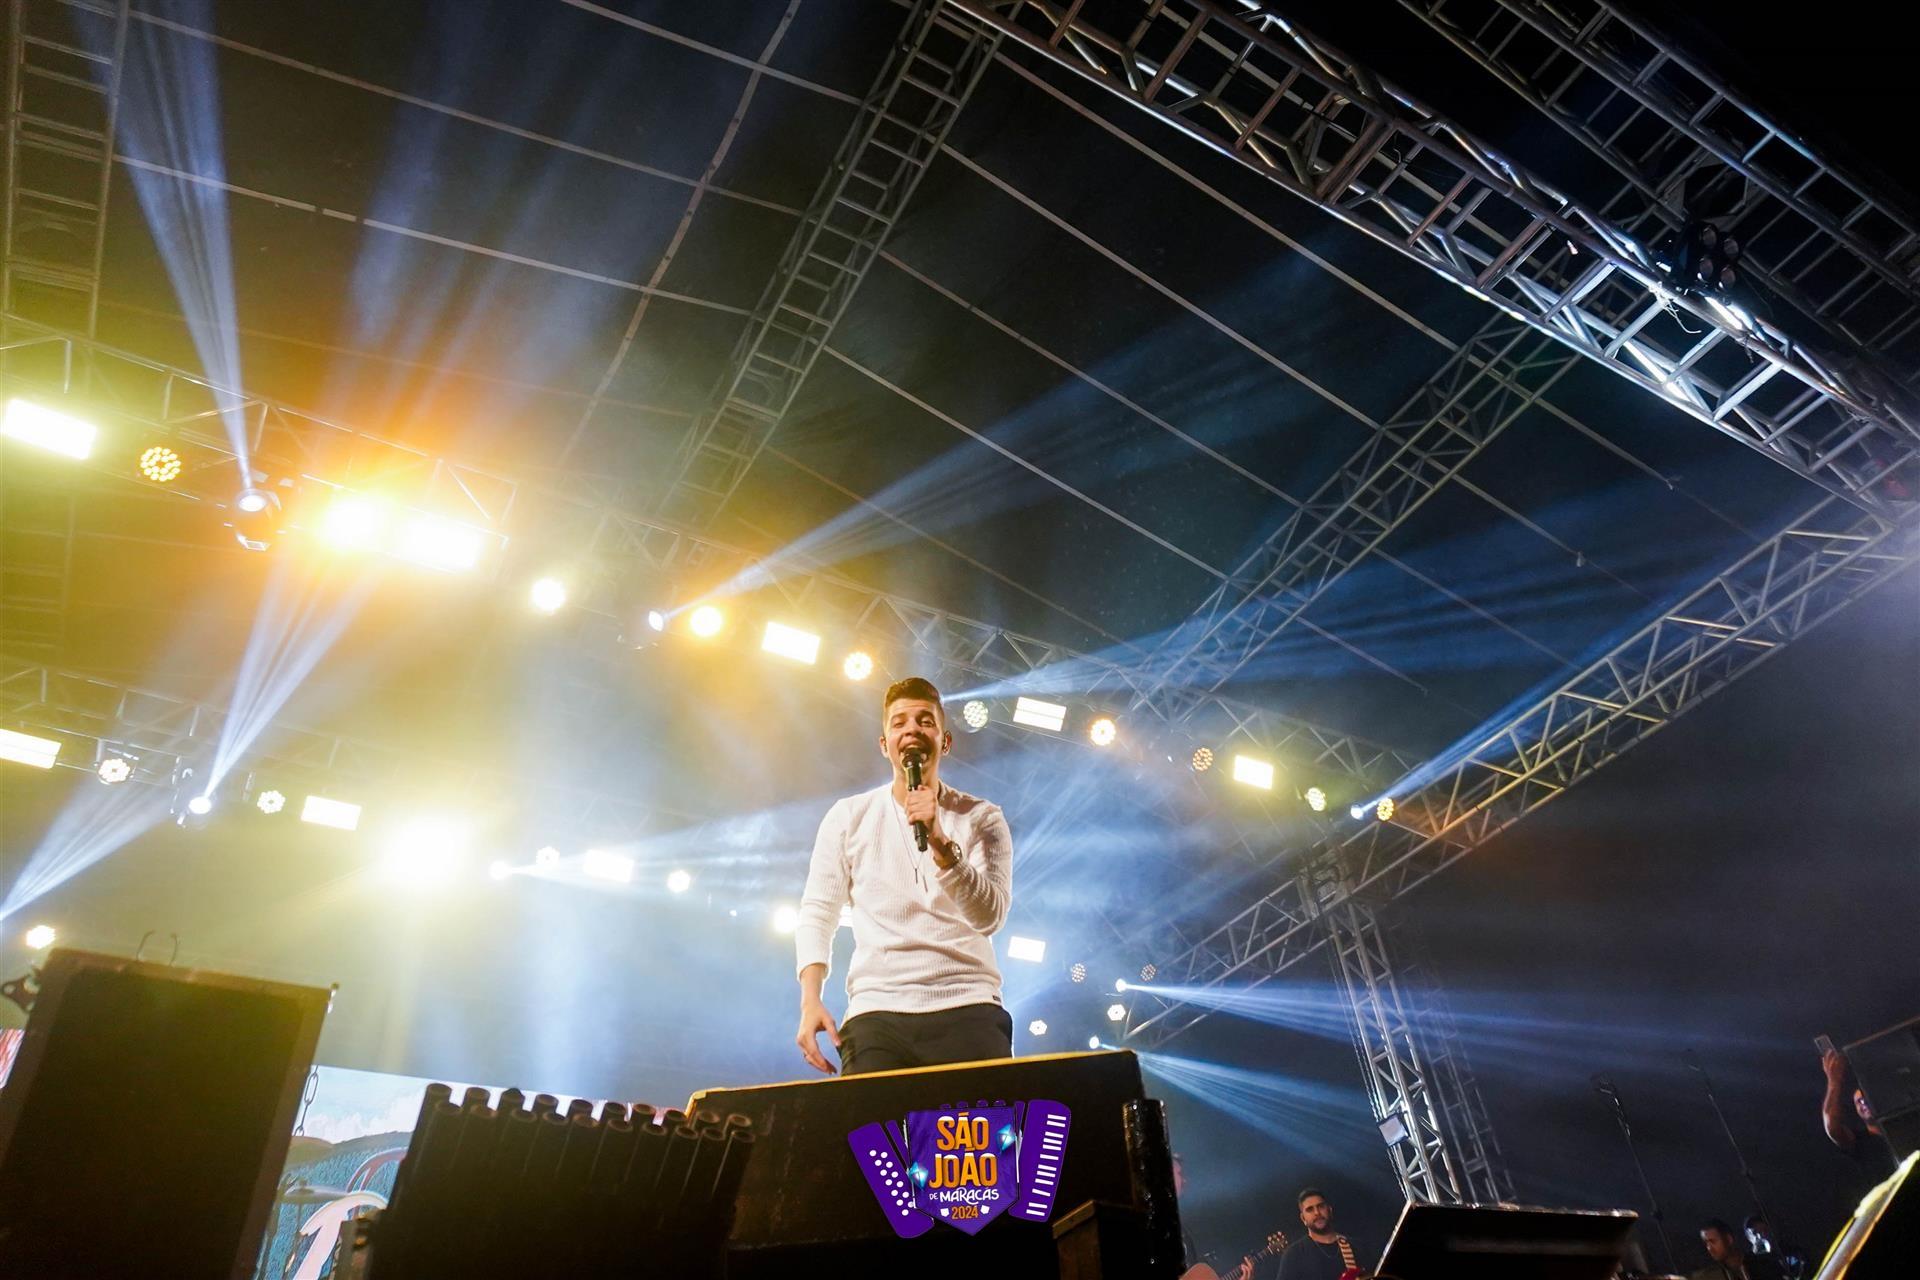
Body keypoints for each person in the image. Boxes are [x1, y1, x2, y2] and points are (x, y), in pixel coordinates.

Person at [793, 677, 1014, 1076]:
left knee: (984, 1120)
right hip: (878, 1010)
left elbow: (990, 917)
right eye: (899, 723)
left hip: (968, 1004)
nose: (912, 729)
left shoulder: (982, 818)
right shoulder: (848, 817)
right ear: (885, 745)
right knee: (865, 1119)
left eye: (925, 721)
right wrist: (811, 1000)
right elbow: (818, 912)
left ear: (945, 741)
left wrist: (940, 842)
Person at [1821, 1048, 1897, 1176]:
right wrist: (1834, 1080)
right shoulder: (1861, 1142)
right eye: (1859, 1101)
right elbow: (1833, 1128)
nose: (1863, 1103)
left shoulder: (1904, 1124)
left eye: (1865, 1098)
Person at [1270, 1187, 1363, 1280]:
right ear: (1303, 1218)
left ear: (1330, 1211)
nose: (1317, 1213)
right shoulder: (1293, 1255)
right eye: (1310, 1209)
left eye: (1321, 1206)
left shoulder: (1356, 1246)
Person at [1691, 1219, 1784, 1280]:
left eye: (1713, 1241)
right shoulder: (1714, 1275)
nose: (1709, 1248)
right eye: (1706, 1244)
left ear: (1729, 1239)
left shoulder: (1763, 1264)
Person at [1742, 1214, 1807, 1280]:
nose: (1761, 1236)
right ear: (1748, 1237)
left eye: (1764, 1230)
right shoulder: (1751, 1263)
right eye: (1755, 1233)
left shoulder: (1788, 1250)